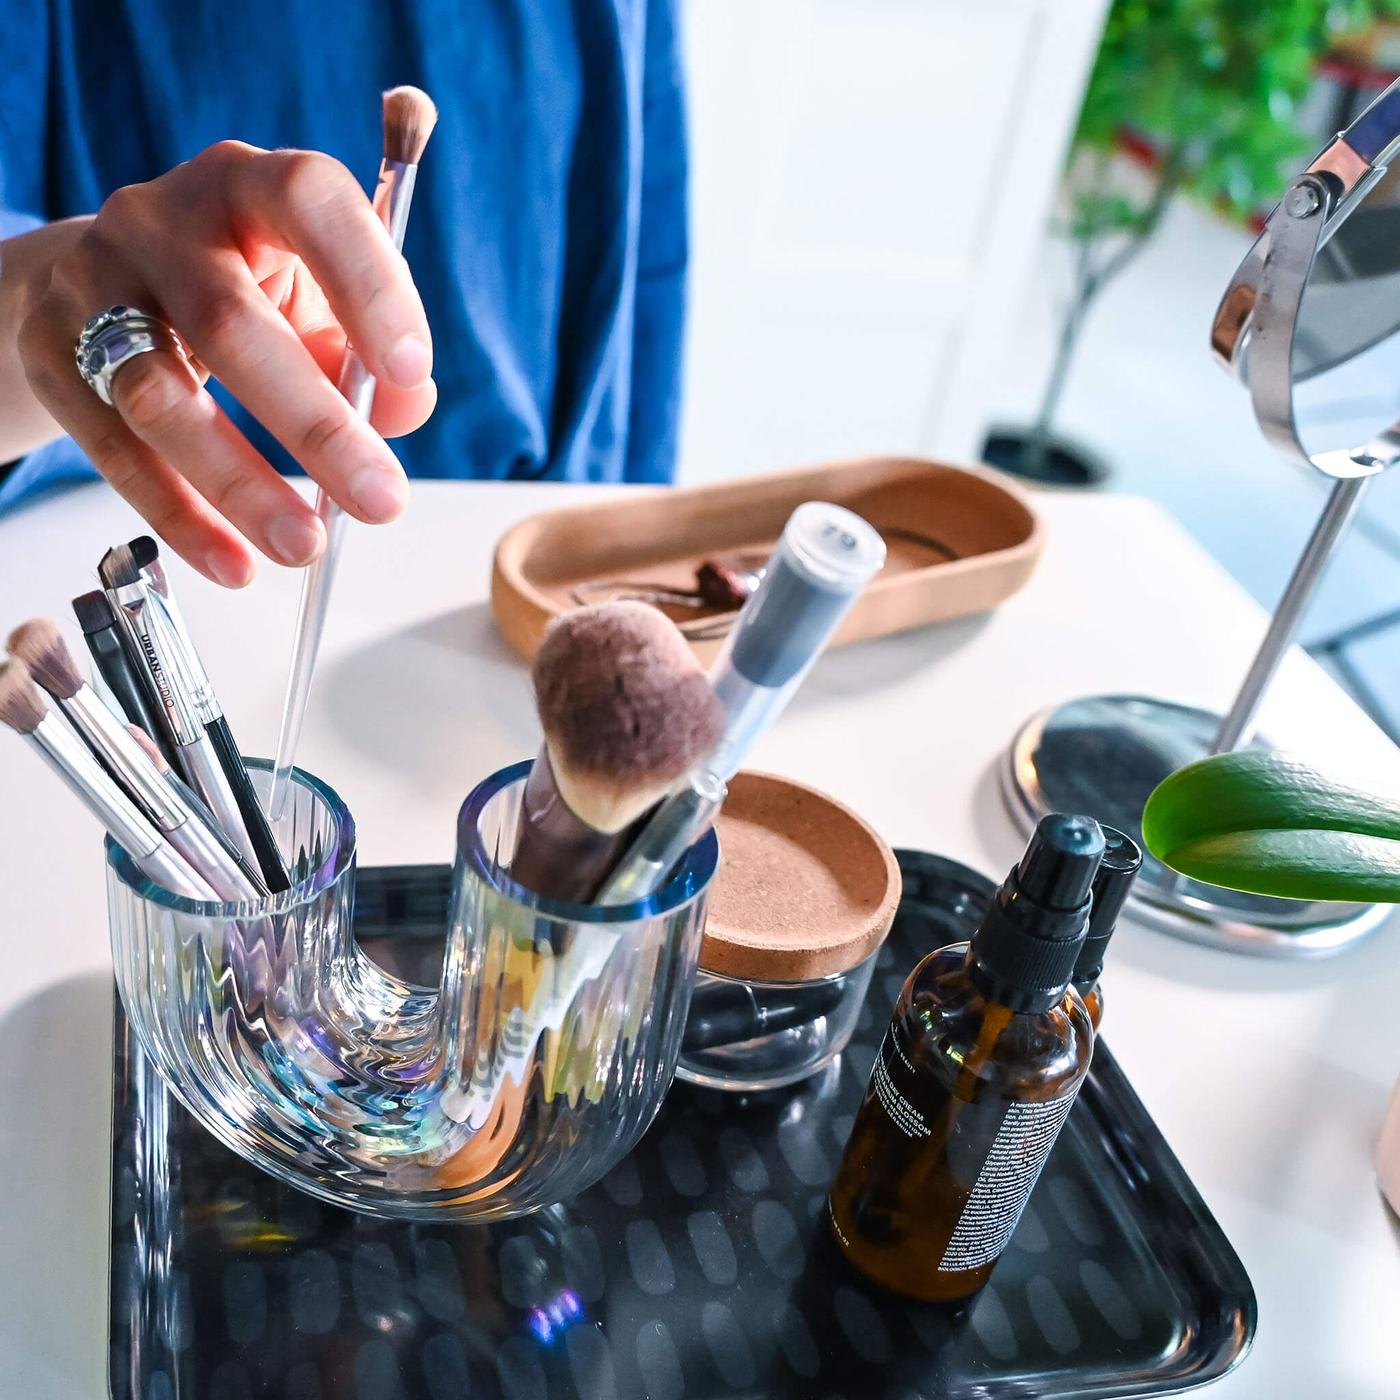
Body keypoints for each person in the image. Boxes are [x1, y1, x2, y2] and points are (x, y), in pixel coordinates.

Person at [0, 0, 687, 586]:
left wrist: (633, 539)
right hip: (119, 551)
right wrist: (47, 295)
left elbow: (641, 261)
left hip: (527, 567)